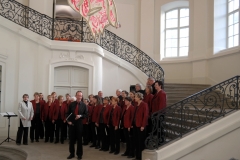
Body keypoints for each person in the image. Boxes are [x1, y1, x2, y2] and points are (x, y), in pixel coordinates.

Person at [66, 91, 88, 160]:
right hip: (72, 124)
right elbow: (67, 114)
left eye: (80, 96)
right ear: (76, 96)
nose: (79, 97)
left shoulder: (84, 105)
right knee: (71, 140)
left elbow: (86, 114)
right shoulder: (71, 104)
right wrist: (68, 121)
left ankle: (79, 154)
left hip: (79, 124)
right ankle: (71, 153)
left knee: (79, 140)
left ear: (82, 97)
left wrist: (80, 116)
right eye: (78, 95)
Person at [133, 92, 148, 160]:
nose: (134, 98)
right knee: (136, 141)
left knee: (141, 142)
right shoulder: (136, 104)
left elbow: (145, 116)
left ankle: (141, 157)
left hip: (141, 126)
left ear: (139, 97)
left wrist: (143, 125)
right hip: (136, 124)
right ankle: (137, 156)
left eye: (135, 97)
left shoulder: (144, 104)